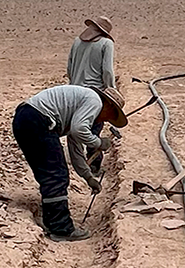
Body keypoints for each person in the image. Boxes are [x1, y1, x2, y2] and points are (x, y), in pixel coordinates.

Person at [12, 84, 127, 241]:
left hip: (27, 119)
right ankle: (60, 228)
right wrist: (99, 142)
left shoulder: (82, 106)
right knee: (56, 175)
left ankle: (52, 221)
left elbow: (76, 148)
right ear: (109, 105)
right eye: (110, 115)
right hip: (38, 120)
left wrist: (88, 177)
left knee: (50, 172)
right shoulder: (95, 101)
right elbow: (79, 129)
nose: (106, 120)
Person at [68, 16, 117, 175]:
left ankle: (79, 163)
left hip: (73, 91)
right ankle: (93, 165)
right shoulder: (106, 44)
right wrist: (111, 91)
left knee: (76, 127)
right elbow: (108, 71)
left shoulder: (77, 42)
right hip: (94, 94)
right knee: (93, 129)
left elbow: (69, 68)